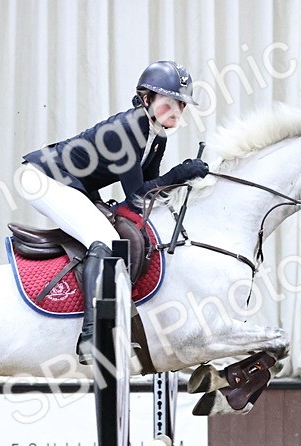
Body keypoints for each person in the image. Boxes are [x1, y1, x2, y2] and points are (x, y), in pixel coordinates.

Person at [21, 60, 210, 362]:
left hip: (75, 184)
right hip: (41, 178)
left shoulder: (156, 135)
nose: (176, 111)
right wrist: (178, 174)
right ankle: (92, 336)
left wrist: (180, 180)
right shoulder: (127, 130)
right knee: (106, 242)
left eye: (181, 105)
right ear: (146, 98)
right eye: (169, 103)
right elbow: (135, 196)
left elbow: (148, 191)